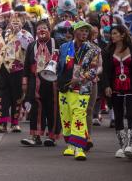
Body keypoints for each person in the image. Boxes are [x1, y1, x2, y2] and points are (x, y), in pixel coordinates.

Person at [57, 21, 101, 161]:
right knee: (66, 116)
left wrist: (83, 78)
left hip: (82, 87)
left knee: (79, 115)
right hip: (65, 87)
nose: (84, 33)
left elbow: (95, 69)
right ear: (75, 32)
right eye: (81, 31)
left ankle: (79, 148)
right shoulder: (64, 47)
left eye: (86, 31)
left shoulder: (93, 49)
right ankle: (70, 145)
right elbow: (59, 66)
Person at [21, 20, 61, 147]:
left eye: (44, 28)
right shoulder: (32, 45)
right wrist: (25, 82)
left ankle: (52, 137)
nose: (41, 31)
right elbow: (27, 65)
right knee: (36, 109)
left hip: (54, 83)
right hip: (36, 81)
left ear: (49, 30)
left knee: (53, 109)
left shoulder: (57, 43)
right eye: (39, 29)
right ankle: (35, 136)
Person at [0, 15, 34, 133]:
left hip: (19, 70)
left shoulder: (26, 35)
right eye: (13, 21)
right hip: (3, 69)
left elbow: (29, 47)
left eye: (18, 21)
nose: (15, 23)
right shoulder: (2, 34)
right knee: (1, 95)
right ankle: (1, 122)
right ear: (9, 22)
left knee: (17, 96)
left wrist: (19, 34)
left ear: (23, 23)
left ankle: (15, 123)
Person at [103, 25, 132, 159]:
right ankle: (122, 146)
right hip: (115, 88)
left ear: (123, 35)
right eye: (112, 34)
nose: (112, 36)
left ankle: (130, 145)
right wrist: (106, 86)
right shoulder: (108, 52)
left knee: (130, 114)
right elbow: (105, 72)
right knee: (118, 117)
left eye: (115, 33)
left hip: (131, 87)